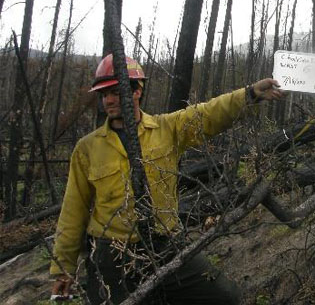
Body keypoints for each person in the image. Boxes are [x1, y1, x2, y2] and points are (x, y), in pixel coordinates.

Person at [49, 54, 284, 303]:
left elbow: (207, 114)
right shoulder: (87, 149)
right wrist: (63, 269)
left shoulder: (165, 129)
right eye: (104, 94)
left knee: (224, 297)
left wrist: (250, 95)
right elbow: (73, 211)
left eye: (115, 92)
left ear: (137, 91)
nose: (108, 100)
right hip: (113, 255)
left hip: (166, 244)